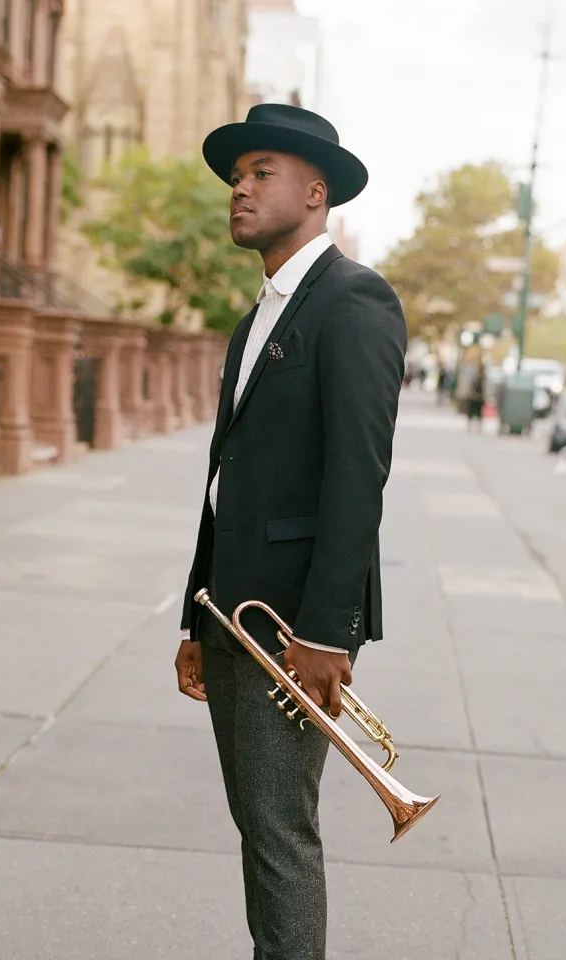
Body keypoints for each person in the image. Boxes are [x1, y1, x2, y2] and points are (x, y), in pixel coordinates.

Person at [174, 103, 407, 960]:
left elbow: (358, 476)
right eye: (238, 176)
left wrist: (324, 630)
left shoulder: (355, 300)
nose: (239, 188)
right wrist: (194, 618)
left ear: (316, 192)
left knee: (278, 832)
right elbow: (224, 479)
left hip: (295, 625)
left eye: (259, 172)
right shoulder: (257, 316)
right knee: (256, 824)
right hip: (231, 610)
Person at [467, 357, 486, 432]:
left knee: (479, 413)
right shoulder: (474, 375)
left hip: (479, 397)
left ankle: (478, 426)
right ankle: (470, 425)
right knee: (472, 412)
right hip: (474, 396)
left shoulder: (484, 377)